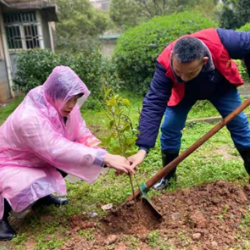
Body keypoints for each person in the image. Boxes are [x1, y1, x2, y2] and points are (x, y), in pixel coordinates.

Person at [0, 66, 135, 241]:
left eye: (75, 99)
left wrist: (105, 156)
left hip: (35, 159)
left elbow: (82, 134)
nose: (72, 105)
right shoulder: (29, 117)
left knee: (68, 162)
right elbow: (56, 149)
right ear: (54, 93)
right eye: (68, 99)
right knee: (20, 179)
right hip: (9, 163)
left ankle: (41, 197)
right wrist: (105, 159)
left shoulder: (65, 108)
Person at [128, 28, 250, 190]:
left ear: (204, 61)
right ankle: (168, 178)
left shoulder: (222, 40)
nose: (183, 77)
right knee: (170, 126)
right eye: (178, 72)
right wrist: (143, 148)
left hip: (221, 87)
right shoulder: (165, 64)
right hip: (183, 93)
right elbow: (154, 103)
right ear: (172, 57)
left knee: (239, 124)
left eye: (190, 73)